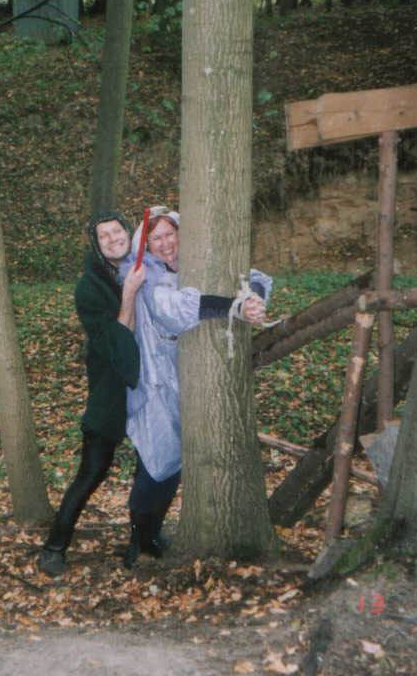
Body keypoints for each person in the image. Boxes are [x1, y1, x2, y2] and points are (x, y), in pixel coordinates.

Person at [118, 206, 271, 568]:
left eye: (170, 234)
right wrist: (235, 308)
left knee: (172, 461)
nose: (165, 243)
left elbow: (254, 277)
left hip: (182, 377)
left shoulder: (198, 261)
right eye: (156, 238)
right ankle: (139, 540)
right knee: (156, 458)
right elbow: (172, 310)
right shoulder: (146, 275)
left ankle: (150, 534)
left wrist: (253, 299)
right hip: (154, 380)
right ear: (146, 245)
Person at [38, 211, 146, 577]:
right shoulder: (89, 288)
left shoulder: (144, 266)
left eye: (117, 231)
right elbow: (116, 340)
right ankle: (55, 547)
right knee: (92, 470)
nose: (114, 238)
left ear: (129, 233)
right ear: (97, 246)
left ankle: (142, 543)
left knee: (151, 470)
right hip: (110, 387)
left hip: (151, 385)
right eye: (104, 236)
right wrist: (129, 294)